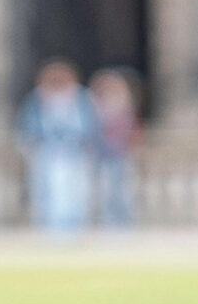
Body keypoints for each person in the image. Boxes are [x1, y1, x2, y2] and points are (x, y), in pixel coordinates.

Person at [16, 59, 99, 233]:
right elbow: (29, 126)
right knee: (46, 189)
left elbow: (90, 125)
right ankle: (49, 226)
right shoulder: (37, 98)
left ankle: (74, 227)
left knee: (75, 189)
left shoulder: (81, 98)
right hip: (47, 151)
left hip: (75, 151)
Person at [89, 67, 141, 228]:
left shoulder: (126, 109)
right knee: (104, 190)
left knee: (124, 189)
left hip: (121, 155)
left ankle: (124, 221)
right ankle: (109, 221)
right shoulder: (94, 109)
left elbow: (133, 131)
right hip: (102, 155)